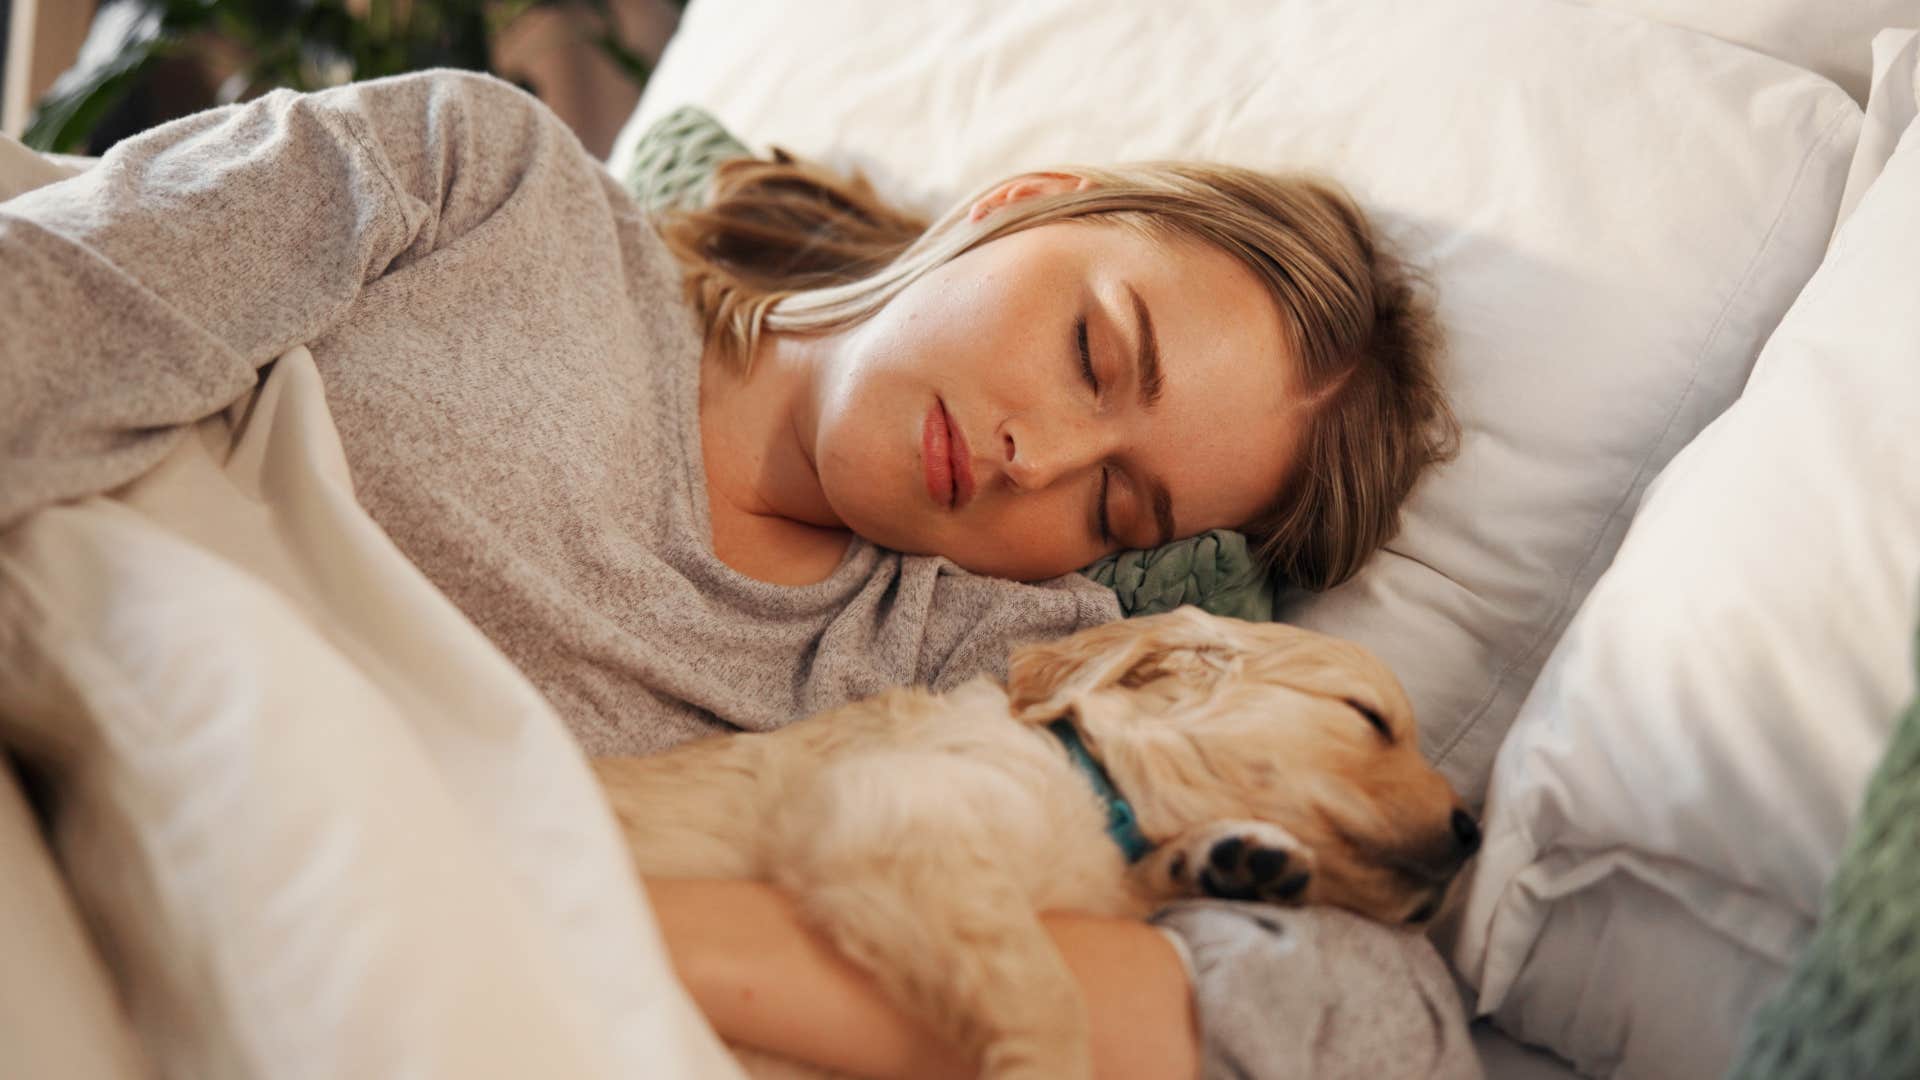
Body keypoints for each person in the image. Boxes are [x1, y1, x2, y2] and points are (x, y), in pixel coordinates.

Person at [1, 69, 1470, 1077]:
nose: (1037, 456)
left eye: (1118, 506)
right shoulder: (491, 183)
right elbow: (54, 319)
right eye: (1094, 352)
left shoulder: (978, 678)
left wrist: (533, 880)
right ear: (1021, 202)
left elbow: (1368, 1028)